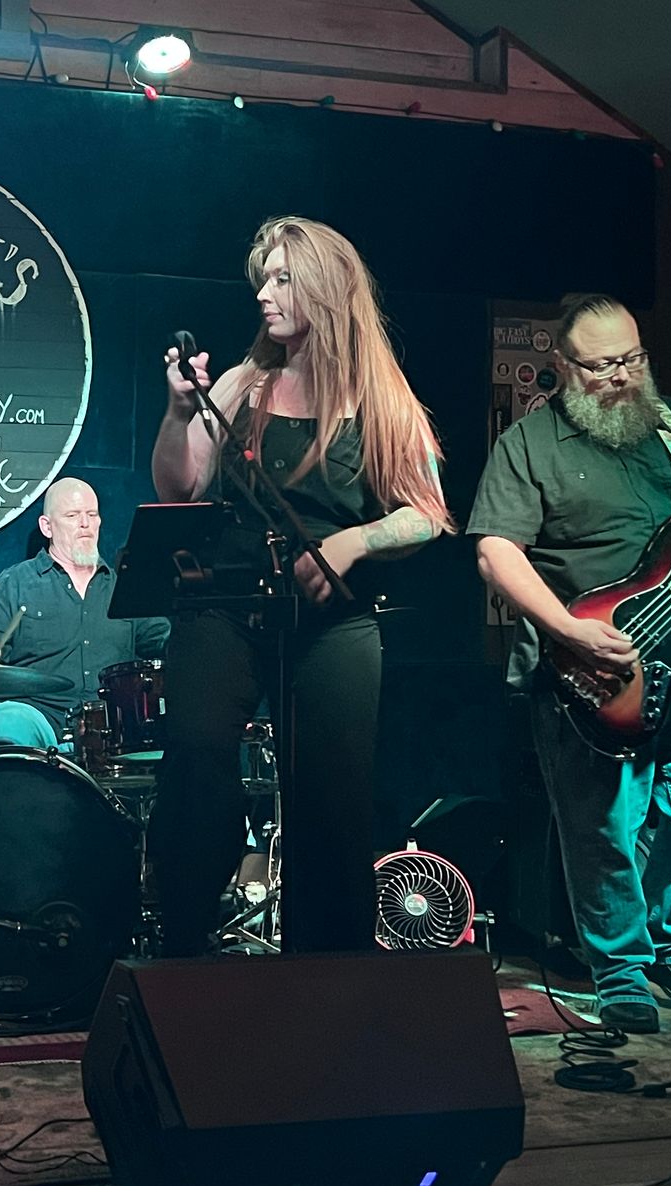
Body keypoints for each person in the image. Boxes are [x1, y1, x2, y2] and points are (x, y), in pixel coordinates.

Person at [149, 216, 451, 956]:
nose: (264, 293)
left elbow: (428, 515)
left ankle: (326, 976)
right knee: (196, 756)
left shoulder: (382, 399)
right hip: (226, 605)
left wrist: (353, 541)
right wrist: (179, 413)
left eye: (283, 279)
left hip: (331, 620)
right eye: (264, 278)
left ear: (326, 287)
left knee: (332, 802)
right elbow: (178, 490)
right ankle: (182, 942)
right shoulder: (241, 383)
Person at [468, 293, 671, 1034]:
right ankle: (623, 974)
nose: (620, 377)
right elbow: (496, 551)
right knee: (602, 830)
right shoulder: (531, 444)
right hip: (591, 673)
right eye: (600, 366)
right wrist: (568, 629)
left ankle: (669, 942)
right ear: (564, 366)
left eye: (631, 359)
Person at [0, 477, 168, 752]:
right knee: (8, 721)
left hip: (112, 727)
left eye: (92, 514)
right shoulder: (16, 583)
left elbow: (165, 643)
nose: (85, 523)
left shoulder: (125, 588)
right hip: (38, 717)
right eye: (73, 515)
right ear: (47, 526)